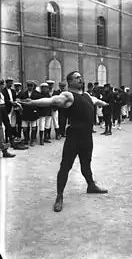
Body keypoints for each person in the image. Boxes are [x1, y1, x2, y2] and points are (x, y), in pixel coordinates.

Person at [20, 71, 109, 212]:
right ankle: (59, 196)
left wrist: (105, 103)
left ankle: (91, 185)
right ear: (70, 81)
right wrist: (32, 102)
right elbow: (52, 101)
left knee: (86, 164)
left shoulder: (86, 95)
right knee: (65, 167)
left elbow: (96, 101)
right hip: (74, 138)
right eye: (77, 78)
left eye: (81, 77)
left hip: (87, 137)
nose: (81, 79)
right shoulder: (68, 96)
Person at [20, 81, 41, 146]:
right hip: (25, 112)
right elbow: (19, 100)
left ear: (33, 86)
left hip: (33, 112)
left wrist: (37, 110)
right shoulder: (23, 93)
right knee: (24, 127)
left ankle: (33, 139)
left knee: (34, 127)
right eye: (28, 86)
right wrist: (24, 101)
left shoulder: (37, 94)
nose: (30, 87)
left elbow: (39, 103)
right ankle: (26, 139)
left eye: (31, 86)